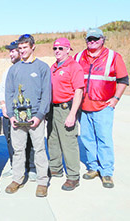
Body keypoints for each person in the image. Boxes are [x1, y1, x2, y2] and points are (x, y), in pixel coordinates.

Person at [75, 28, 129, 188]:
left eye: (96, 38)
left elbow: (123, 80)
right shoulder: (78, 57)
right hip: (84, 107)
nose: (92, 41)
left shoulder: (113, 57)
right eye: (89, 39)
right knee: (87, 139)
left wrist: (116, 99)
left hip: (103, 106)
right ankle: (93, 167)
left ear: (102, 40)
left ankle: (106, 172)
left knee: (104, 140)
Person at [5, 34, 51, 197]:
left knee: (39, 149)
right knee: (18, 150)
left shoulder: (42, 67)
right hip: (17, 118)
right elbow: (9, 93)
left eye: (25, 47)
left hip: (35, 118)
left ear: (33, 47)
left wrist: (39, 115)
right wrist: (11, 115)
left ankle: (42, 181)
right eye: (20, 48)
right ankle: (17, 179)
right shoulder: (14, 69)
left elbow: (46, 93)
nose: (22, 51)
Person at [48, 38, 84, 191]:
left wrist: (72, 114)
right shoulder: (53, 67)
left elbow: (79, 91)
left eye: (61, 48)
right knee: (53, 140)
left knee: (69, 143)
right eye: (55, 48)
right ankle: (55, 168)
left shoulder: (74, 66)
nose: (57, 51)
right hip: (52, 108)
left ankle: (73, 176)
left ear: (68, 50)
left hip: (65, 109)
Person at [0, 40, 36, 181]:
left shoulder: (30, 68)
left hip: (26, 111)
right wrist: (3, 105)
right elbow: (2, 90)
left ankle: (32, 168)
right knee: (11, 140)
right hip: (10, 112)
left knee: (30, 140)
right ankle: (15, 166)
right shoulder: (8, 71)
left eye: (13, 51)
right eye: (10, 51)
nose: (11, 54)